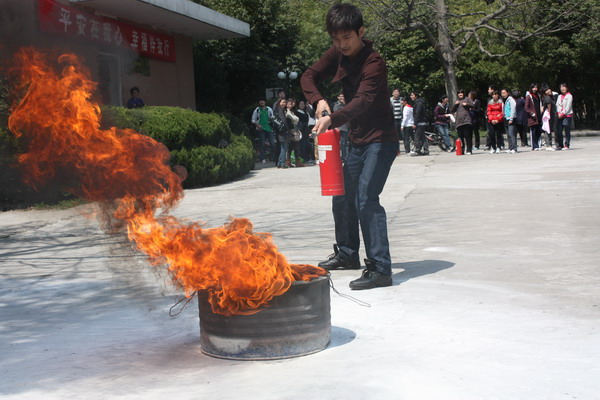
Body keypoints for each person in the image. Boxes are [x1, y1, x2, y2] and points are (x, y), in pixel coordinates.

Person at [301, 3, 399, 290]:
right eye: (336, 39)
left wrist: (331, 119)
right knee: (342, 195)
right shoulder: (337, 54)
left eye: (347, 37)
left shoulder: (374, 62)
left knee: (366, 198)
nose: (341, 44)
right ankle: (347, 253)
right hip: (357, 141)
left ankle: (380, 268)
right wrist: (318, 100)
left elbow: (363, 101)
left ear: (361, 32)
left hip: (380, 140)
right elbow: (308, 75)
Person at [451, 89, 474, 155]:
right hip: (459, 122)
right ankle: (462, 150)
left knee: (467, 136)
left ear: (464, 93)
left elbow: (473, 105)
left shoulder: (467, 99)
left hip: (466, 120)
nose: (460, 94)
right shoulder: (457, 101)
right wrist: (455, 105)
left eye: (461, 93)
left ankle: (469, 150)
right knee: (461, 137)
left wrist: (466, 104)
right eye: (459, 93)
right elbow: (452, 110)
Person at [286, 98, 304, 167]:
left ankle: (297, 161)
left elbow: (296, 119)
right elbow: (295, 119)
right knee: (289, 147)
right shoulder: (286, 111)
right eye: (288, 104)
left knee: (295, 146)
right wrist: (295, 118)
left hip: (293, 130)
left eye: (290, 104)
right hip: (289, 130)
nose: (290, 105)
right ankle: (288, 161)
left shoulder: (292, 111)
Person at [525, 83, 543, 150]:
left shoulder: (538, 96)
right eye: (533, 88)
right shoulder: (529, 97)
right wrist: (531, 113)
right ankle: (534, 146)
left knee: (539, 131)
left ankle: (538, 144)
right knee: (533, 132)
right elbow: (526, 108)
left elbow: (541, 104)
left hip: (539, 116)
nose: (535, 89)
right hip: (533, 118)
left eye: (536, 87)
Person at [555, 83, 573, 150]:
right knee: (559, 130)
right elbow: (557, 105)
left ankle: (567, 145)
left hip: (567, 115)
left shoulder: (569, 96)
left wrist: (562, 113)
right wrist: (559, 113)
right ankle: (560, 145)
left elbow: (568, 106)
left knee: (567, 131)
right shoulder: (559, 96)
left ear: (567, 88)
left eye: (564, 87)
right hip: (560, 115)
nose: (562, 88)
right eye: (561, 87)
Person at [411, 91, 428, 156]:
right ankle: (426, 150)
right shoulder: (420, 102)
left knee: (417, 137)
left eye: (412, 95)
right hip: (422, 122)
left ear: (416, 96)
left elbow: (417, 113)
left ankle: (418, 150)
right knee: (422, 137)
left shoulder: (418, 103)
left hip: (419, 123)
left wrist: (415, 123)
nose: (411, 97)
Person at [333, 93, 349, 161]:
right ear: (338, 97)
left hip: (346, 126)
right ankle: (343, 157)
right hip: (340, 127)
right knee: (342, 143)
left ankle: (345, 156)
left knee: (345, 142)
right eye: (340, 96)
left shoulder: (346, 104)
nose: (342, 98)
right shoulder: (337, 105)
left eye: (343, 96)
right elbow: (337, 113)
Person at [501, 88, 518, 154]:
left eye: (504, 93)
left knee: (511, 134)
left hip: (511, 119)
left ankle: (514, 148)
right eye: (502, 93)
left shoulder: (510, 99)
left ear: (507, 93)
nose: (503, 94)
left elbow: (513, 109)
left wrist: (511, 118)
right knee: (508, 134)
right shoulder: (503, 100)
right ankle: (510, 147)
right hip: (505, 118)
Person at [541, 85, 556, 151]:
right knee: (547, 129)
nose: (549, 90)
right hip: (548, 115)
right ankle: (548, 145)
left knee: (548, 129)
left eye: (549, 89)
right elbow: (548, 104)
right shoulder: (547, 97)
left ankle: (549, 144)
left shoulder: (548, 96)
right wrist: (549, 112)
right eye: (547, 90)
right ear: (545, 92)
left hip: (548, 115)